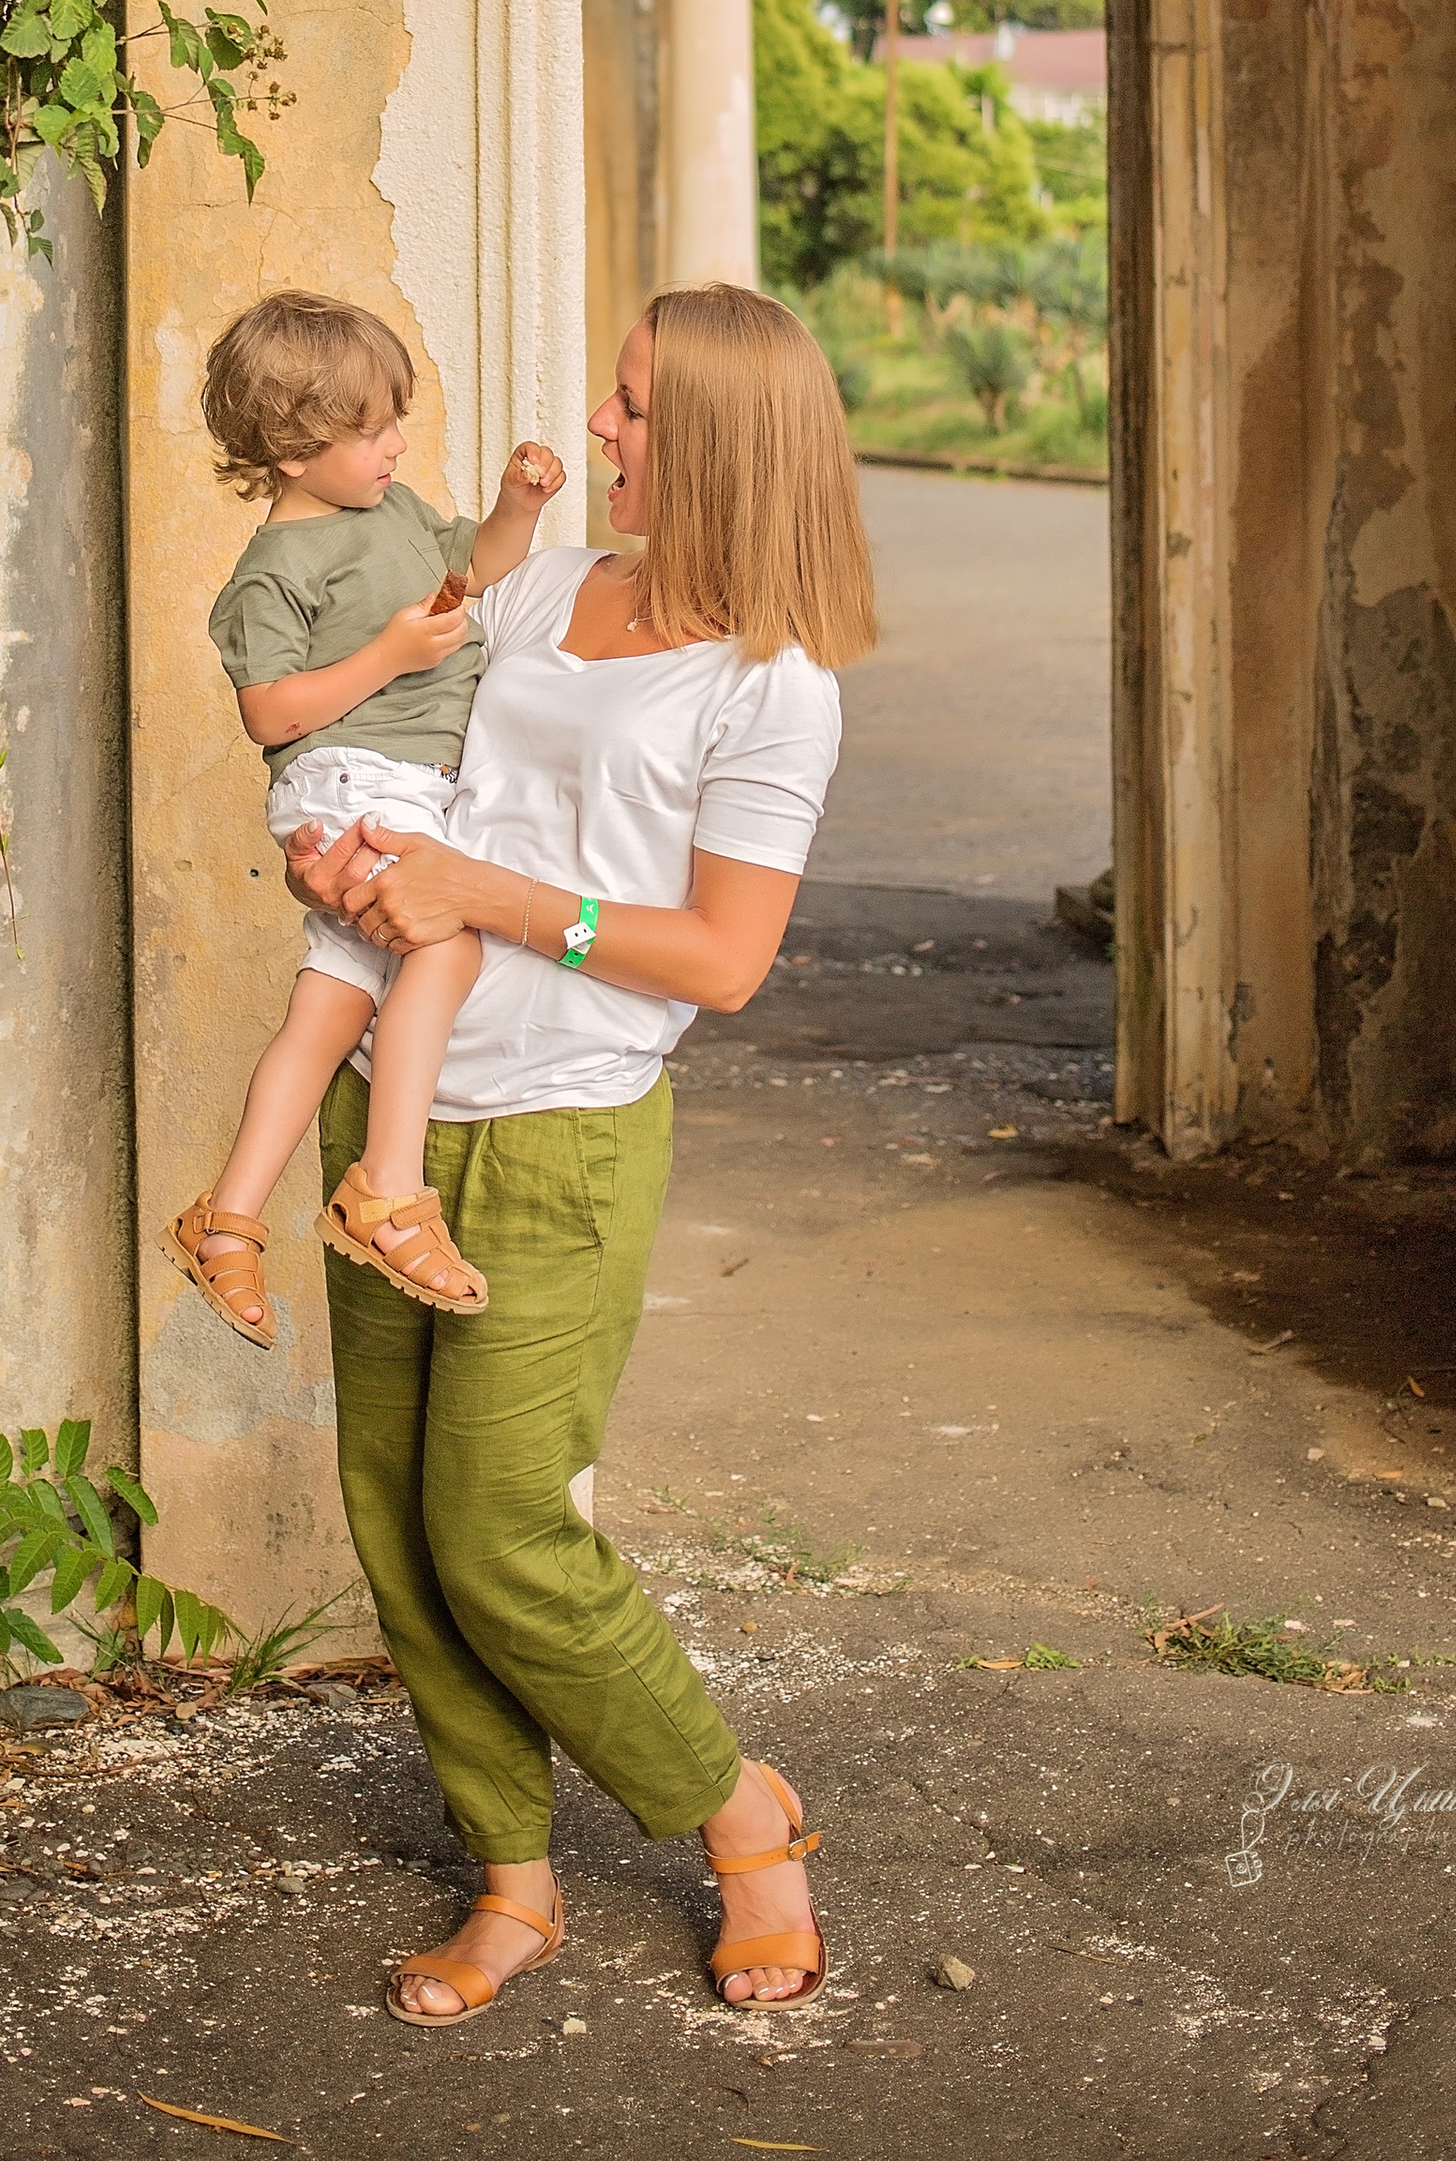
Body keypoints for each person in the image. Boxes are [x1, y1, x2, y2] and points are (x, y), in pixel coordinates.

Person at [286, 281, 875, 2026]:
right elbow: (418, 764)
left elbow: (724, 959)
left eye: (629, 407)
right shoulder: (548, 585)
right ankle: (514, 1882)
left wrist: (492, 899)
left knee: (501, 1531)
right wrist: (358, 851)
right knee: (396, 1525)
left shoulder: (775, 690)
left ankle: (739, 1818)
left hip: (567, 1126)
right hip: (392, 1088)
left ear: (709, 434)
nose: (600, 430)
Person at [161, 288, 566, 1340]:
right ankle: (387, 1188)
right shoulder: (274, 571)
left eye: (395, 419)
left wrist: (518, 506)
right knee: (446, 943)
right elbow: (268, 713)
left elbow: (471, 568)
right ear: (292, 450)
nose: (395, 443)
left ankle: (226, 1222)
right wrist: (386, 656)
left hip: (398, 784)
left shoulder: (389, 513)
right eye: (370, 429)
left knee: (331, 1003)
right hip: (352, 778)